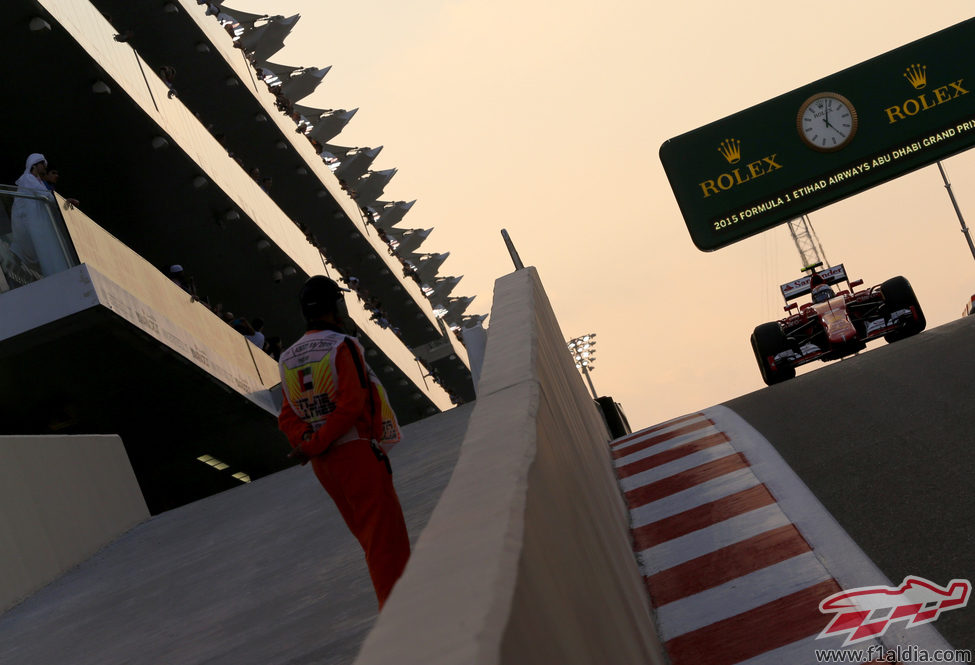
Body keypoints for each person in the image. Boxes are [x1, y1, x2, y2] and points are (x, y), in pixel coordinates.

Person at [277, 275, 410, 610]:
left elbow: (287, 416)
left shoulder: (288, 357)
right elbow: (351, 403)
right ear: (334, 306)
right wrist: (320, 441)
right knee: (385, 541)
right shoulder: (342, 346)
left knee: (369, 539)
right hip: (355, 453)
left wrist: (309, 443)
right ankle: (400, 616)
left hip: (325, 466)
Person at [10, 153, 69, 277]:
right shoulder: (27, 178)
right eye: (42, 163)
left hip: (42, 222)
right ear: (34, 164)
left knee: (53, 251)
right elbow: (44, 195)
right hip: (35, 224)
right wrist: (63, 201)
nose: (44, 167)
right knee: (46, 252)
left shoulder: (39, 182)